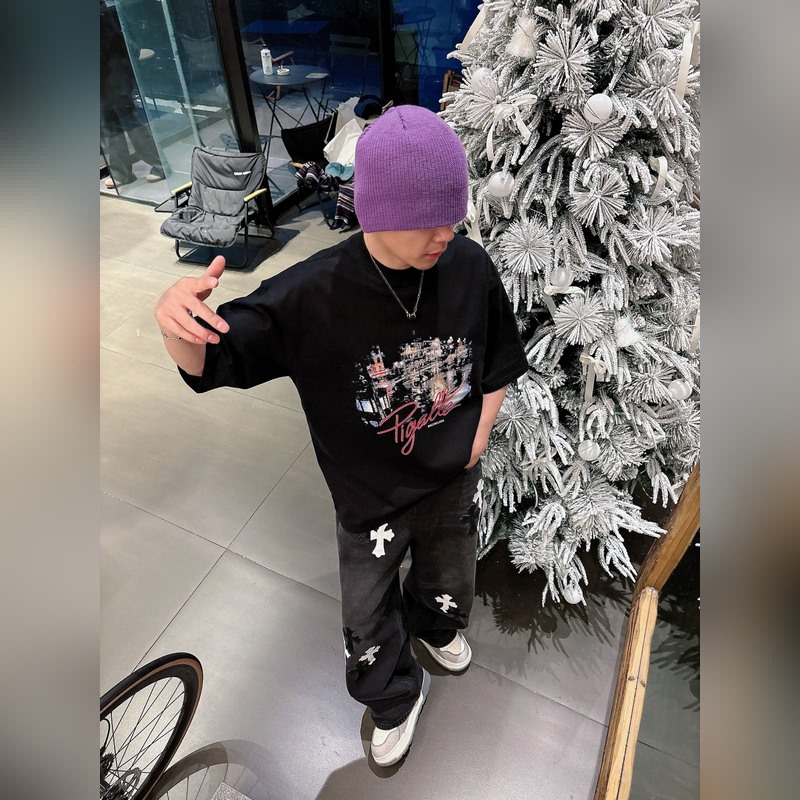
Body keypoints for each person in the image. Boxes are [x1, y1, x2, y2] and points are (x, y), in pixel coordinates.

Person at [153, 106, 528, 767]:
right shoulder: (313, 292)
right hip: (367, 501)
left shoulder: (468, 265)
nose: (445, 233)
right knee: (366, 618)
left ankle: (436, 626)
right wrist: (175, 323)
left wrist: (477, 437)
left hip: (451, 480)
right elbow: (212, 361)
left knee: (450, 577)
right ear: (376, 211)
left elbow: (498, 357)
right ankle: (394, 697)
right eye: (426, 220)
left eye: (453, 214)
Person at [100, 1, 166, 189]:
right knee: (110, 123)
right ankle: (121, 172)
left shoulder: (103, 15)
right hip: (104, 74)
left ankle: (159, 164)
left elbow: (120, 40)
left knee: (127, 119)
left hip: (114, 73)